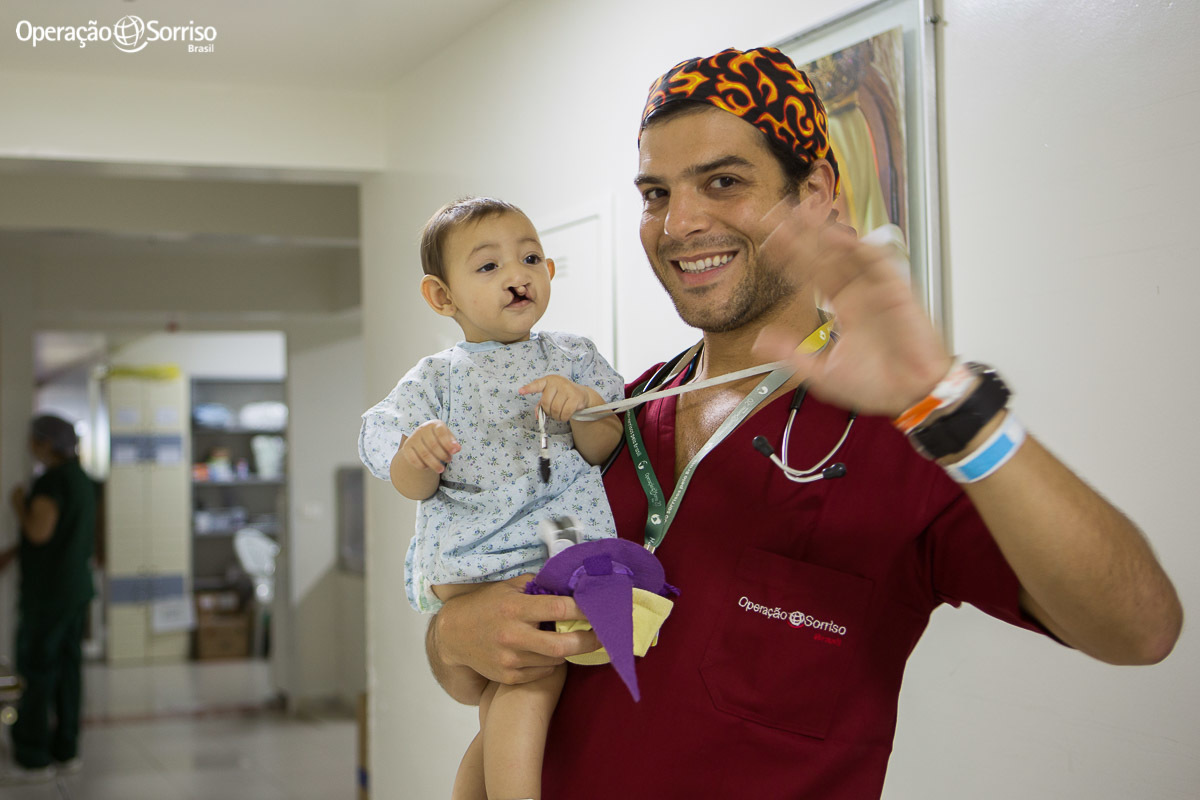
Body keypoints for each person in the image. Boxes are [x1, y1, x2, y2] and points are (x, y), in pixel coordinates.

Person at [422, 46, 1183, 799]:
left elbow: (1140, 629)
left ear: (814, 190)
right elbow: (486, 650)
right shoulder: (604, 421)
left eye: (723, 181)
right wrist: (451, 638)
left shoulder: (902, 438)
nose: (679, 223)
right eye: (656, 194)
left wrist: (951, 401)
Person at [358, 197, 625, 799]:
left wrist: (582, 405)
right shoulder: (436, 379)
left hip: (557, 542)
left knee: (512, 701)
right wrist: (414, 457)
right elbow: (405, 477)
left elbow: (604, 446)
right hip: (475, 557)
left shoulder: (573, 356)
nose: (516, 274)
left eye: (530, 258)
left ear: (550, 272)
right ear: (441, 297)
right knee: (533, 686)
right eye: (488, 267)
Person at [0, 415, 95, 785]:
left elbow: (40, 532)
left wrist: (19, 505)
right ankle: (65, 749)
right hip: (74, 590)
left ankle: (32, 754)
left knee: (37, 671)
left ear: (44, 443)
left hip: (48, 596)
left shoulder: (50, 483)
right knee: (69, 671)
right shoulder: (82, 480)